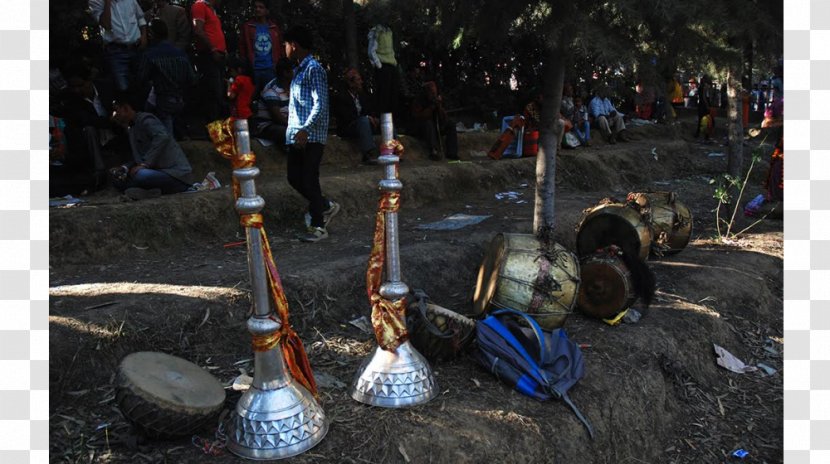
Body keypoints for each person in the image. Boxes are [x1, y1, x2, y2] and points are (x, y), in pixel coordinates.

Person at [283, 26, 339, 243]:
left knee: (308, 178)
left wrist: (306, 129)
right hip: (298, 134)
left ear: (294, 45)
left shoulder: (313, 69)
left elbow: (321, 103)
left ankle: (318, 225)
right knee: (293, 177)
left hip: (311, 135)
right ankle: (324, 206)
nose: (284, 48)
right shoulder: (299, 70)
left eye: (286, 44)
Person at [110, 91, 193, 199]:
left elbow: (162, 137)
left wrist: (145, 164)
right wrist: (124, 167)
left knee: (141, 176)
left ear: (125, 108)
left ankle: (146, 190)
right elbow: (139, 157)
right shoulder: (131, 128)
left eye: (117, 111)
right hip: (155, 172)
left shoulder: (146, 119)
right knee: (117, 179)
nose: (115, 115)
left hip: (174, 174)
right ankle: (149, 191)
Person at [138, 19, 195, 138]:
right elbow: (191, 78)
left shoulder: (150, 55)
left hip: (162, 102)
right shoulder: (180, 53)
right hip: (180, 100)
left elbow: (141, 78)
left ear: (151, 35)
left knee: (164, 136)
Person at [89, 0, 148, 92]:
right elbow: (106, 24)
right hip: (116, 51)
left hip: (137, 47)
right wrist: (107, 2)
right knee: (123, 87)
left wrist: (144, 36)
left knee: (143, 83)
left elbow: (140, 17)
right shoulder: (96, 1)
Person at [332, 68, 381, 165]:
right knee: (363, 121)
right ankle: (368, 154)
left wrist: (373, 118)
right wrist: (366, 118)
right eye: (358, 80)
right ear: (351, 83)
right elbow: (346, 117)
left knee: (385, 121)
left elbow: (370, 110)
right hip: (349, 127)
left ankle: (395, 149)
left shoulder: (362, 95)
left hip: (364, 124)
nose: (361, 82)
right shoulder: (341, 97)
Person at [191, 0, 227, 124]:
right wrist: (212, 49)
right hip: (208, 55)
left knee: (219, 90)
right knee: (212, 90)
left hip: (217, 55)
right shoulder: (200, 5)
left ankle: (217, 125)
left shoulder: (212, 9)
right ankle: (211, 126)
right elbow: (198, 30)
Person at [239, 0, 283, 92]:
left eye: (261, 7)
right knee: (252, 99)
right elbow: (242, 47)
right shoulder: (248, 26)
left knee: (272, 98)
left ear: (267, 11)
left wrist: (278, 65)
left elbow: (279, 47)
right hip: (254, 70)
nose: (257, 9)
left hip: (271, 69)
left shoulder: (274, 27)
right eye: (256, 7)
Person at [411, 81, 458, 160]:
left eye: (434, 93)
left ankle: (452, 152)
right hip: (422, 127)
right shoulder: (419, 100)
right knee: (428, 124)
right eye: (431, 93)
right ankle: (433, 151)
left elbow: (443, 117)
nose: (433, 95)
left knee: (451, 125)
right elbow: (420, 116)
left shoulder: (435, 99)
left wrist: (439, 106)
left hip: (436, 125)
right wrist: (432, 107)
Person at [249, 58, 292, 145]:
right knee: (287, 132)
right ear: (286, 73)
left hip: (284, 122)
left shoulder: (291, 86)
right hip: (267, 126)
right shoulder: (271, 90)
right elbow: (278, 118)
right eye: (293, 70)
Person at [368, 23, 399, 115]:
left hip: (392, 66)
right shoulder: (376, 30)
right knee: (383, 99)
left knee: (392, 98)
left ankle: (391, 124)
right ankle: (382, 123)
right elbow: (371, 51)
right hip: (383, 67)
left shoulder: (389, 31)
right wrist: (379, 65)